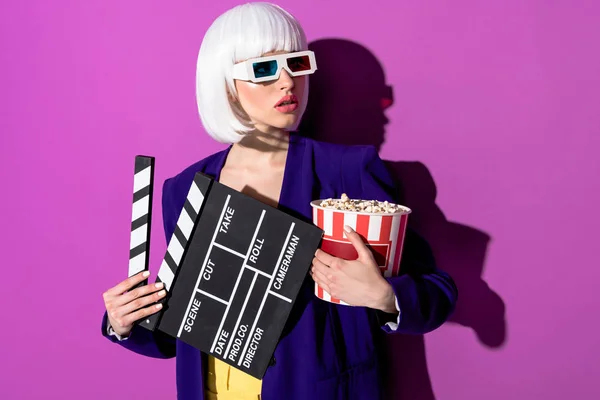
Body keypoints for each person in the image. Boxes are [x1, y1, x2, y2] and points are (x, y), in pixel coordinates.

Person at [101, 3, 457, 399]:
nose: (287, 81)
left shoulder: (348, 171)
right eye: (264, 69)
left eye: (296, 62)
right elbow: (183, 329)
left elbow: (436, 293)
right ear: (225, 84)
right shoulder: (183, 189)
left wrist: (384, 297)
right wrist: (124, 321)